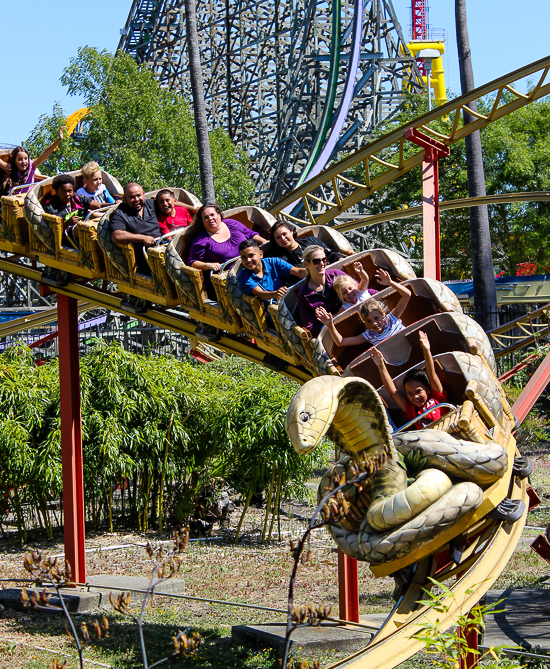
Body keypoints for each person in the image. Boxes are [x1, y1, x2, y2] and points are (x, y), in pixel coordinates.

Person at [188, 203, 267, 299]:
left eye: (212, 215)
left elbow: (250, 234)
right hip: (231, 277)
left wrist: (264, 241)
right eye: (206, 217)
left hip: (252, 265)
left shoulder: (232, 223)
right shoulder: (201, 240)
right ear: (202, 221)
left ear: (218, 215)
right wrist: (209, 265)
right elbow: (193, 262)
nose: (210, 219)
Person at [371, 330, 449, 429]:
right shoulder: (411, 409)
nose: (415, 397)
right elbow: (392, 391)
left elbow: (431, 374)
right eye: (410, 394)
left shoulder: (437, 397)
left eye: (418, 391)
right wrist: (381, 365)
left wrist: (426, 350)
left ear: (428, 389)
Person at [316, 270, 411, 346]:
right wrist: (329, 325)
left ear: (382, 314)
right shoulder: (369, 335)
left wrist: (390, 283)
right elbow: (341, 342)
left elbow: (407, 295)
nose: (374, 323)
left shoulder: (392, 318)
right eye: (369, 321)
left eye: (376, 318)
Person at [110, 183, 161, 275]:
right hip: (146, 255)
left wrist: (194, 208)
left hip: (163, 245)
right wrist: (143, 238)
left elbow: (172, 202)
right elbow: (117, 235)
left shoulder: (151, 204)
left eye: (139, 195)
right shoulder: (119, 214)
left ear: (143, 194)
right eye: (132, 197)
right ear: (124, 199)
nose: (136, 199)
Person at [296, 245, 348, 337]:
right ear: (306, 264)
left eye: (324, 259)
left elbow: (360, 292)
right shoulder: (304, 294)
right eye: (316, 261)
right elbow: (311, 328)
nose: (322, 264)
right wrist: (329, 324)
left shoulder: (336, 274)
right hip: (331, 335)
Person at [0, 126, 65, 197]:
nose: (23, 161)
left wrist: (59, 140)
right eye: (20, 159)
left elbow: (45, 154)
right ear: (15, 161)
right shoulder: (10, 168)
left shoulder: (32, 166)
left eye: (25, 158)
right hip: (15, 201)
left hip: (28, 199)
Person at [237, 239, 306, 303]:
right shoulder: (243, 276)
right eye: (244, 257)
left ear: (260, 254)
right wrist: (276, 294)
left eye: (251, 255)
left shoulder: (273, 262)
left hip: (286, 302)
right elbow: (260, 293)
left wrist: (313, 271)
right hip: (272, 310)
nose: (248, 260)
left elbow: (298, 271)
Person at [262, 220, 344, 268]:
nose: (283, 239)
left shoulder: (310, 241)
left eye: (284, 234)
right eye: (278, 238)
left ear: (291, 231)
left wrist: (340, 259)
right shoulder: (280, 259)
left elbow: (331, 254)